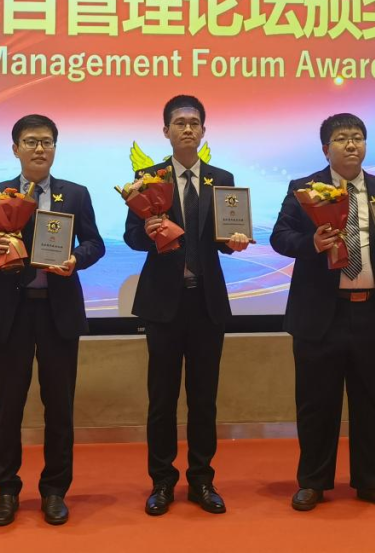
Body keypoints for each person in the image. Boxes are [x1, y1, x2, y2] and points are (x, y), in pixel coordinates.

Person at [270, 113, 375, 512]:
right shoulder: (303, 189)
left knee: (371, 404)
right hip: (321, 314)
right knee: (316, 404)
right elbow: (280, 237)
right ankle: (313, 482)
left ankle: (370, 480)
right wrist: (311, 243)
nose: (351, 145)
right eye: (342, 139)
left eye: (358, 138)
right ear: (325, 149)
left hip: (372, 313)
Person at [0, 114, 105, 526]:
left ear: (55, 148)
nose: (39, 149)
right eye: (30, 142)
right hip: (11, 312)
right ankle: (6, 489)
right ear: (16, 149)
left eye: (46, 142)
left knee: (59, 406)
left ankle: (55, 489)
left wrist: (75, 258)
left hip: (58, 311)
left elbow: (95, 243)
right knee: (7, 406)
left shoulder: (75, 194)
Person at [123, 95, 251, 516]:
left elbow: (225, 239)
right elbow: (131, 238)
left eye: (194, 123)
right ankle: (161, 481)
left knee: (204, 399)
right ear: (166, 131)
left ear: (203, 130)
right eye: (179, 123)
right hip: (163, 304)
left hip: (206, 303)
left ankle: (201, 480)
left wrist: (235, 242)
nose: (188, 129)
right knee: (161, 400)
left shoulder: (221, 178)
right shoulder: (148, 178)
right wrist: (147, 230)